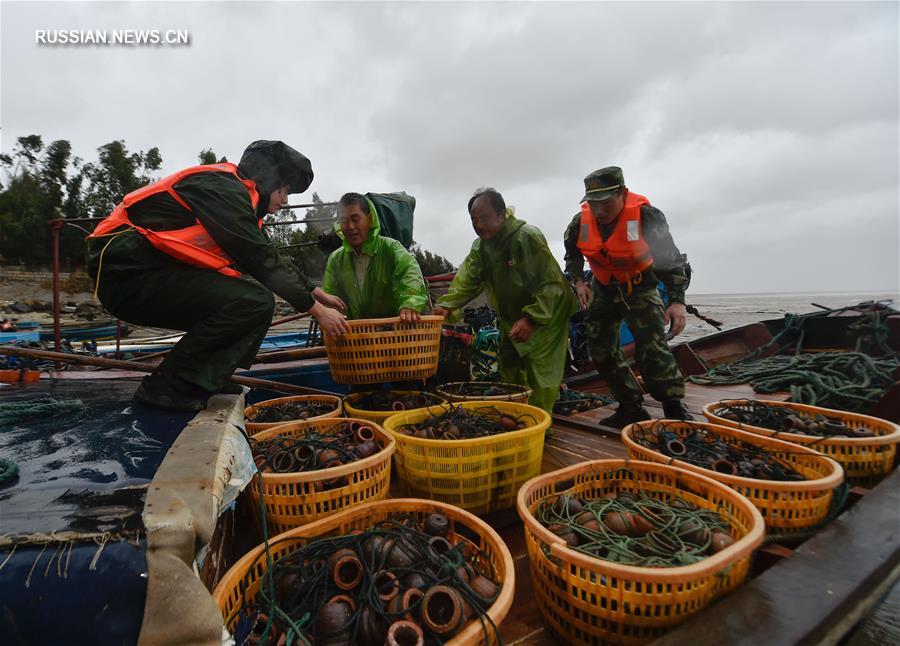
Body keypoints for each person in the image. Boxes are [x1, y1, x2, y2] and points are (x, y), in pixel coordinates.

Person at [86, 140, 350, 412]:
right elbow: (258, 257)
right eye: (284, 191)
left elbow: (269, 254)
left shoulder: (240, 201)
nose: (284, 201)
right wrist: (317, 311)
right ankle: (168, 386)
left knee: (252, 301)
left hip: (149, 271)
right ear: (267, 181)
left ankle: (207, 377)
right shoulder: (223, 190)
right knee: (253, 302)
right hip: (125, 271)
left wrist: (315, 291)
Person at [563, 166, 692, 428]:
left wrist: (677, 301)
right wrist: (578, 282)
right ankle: (630, 406)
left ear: (622, 193)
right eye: (593, 203)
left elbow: (669, 259)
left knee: (652, 347)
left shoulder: (647, 217)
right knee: (600, 349)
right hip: (603, 287)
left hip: (640, 285)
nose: (599, 210)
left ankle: (673, 406)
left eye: (605, 202)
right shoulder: (580, 222)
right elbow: (572, 255)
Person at [432, 188, 577, 413]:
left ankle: (538, 425)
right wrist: (445, 305)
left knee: (541, 372)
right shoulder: (481, 247)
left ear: (502, 214)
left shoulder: (527, 237)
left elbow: (551, 284)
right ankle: (515, 414)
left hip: (547, 313)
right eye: (474, 220)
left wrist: (531, 319)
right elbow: (467, 279)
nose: (479, 225)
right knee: (509, 364)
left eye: (485, 218)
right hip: (511, 316)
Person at [321, 193, 428, 323]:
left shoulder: (392, 248)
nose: (350, 226)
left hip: (394, 331)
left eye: (355, 219)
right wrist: (326, 313)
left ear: (370, 218)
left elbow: (410, 276)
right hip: (357, 334)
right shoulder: (336, 259)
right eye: (343, 221)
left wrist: (411, 304)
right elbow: (330, 294)